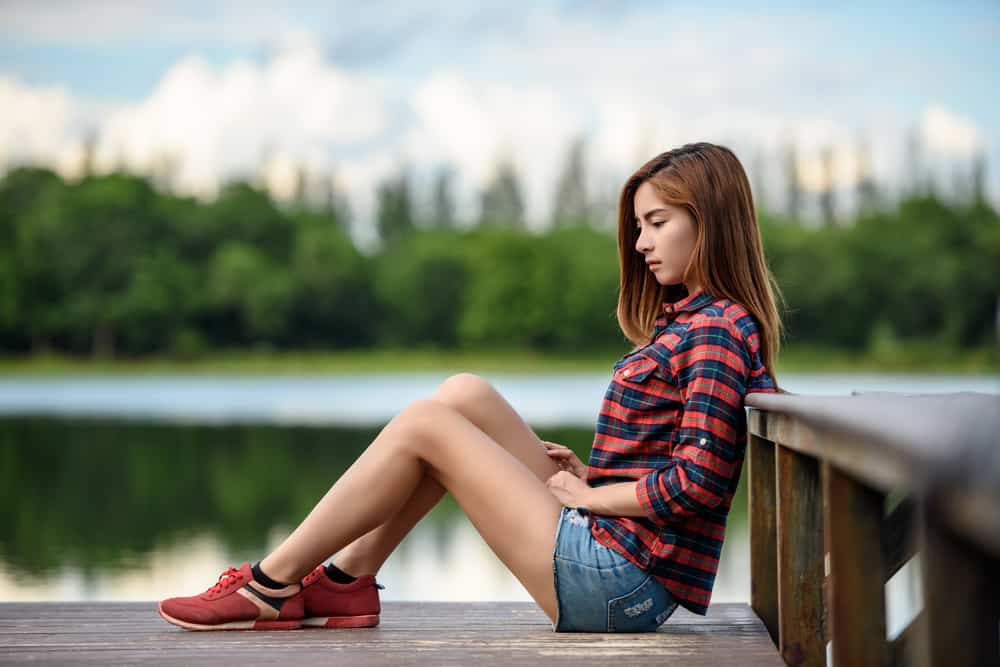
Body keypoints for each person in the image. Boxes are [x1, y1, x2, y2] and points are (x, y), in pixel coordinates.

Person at [157, 141, 781, 633]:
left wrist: (590, 501)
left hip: (621, 584)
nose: (640, 243)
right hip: (617, 553)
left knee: (428, 428)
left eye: (656, 222)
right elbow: (677, 459)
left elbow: (697, 483)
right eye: (638, 226)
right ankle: (348, 582)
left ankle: (271, 583)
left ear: (709, 223)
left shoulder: (718, 331)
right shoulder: (699, 323)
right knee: (463, 395)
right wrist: (593, 477)